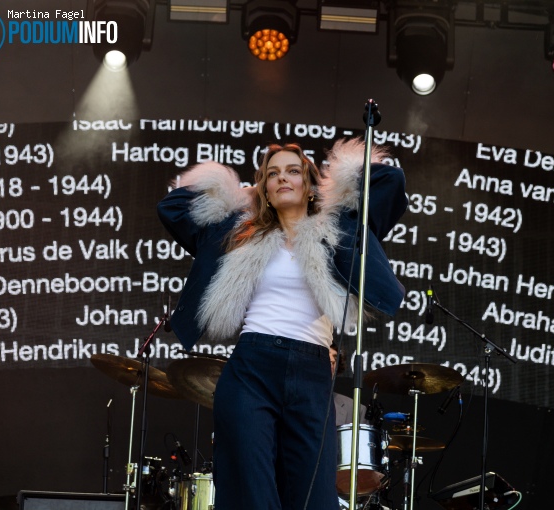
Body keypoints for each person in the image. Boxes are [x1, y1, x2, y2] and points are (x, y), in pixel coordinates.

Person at [157, 138, 407, 510]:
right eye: (272, 175)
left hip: (311, 372)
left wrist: (334, 183)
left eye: (293, 171)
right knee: (251, 491)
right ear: (265, 191)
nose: (282, 179)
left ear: (310, 185)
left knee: (314, 498)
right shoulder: (240, 233)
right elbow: (172, 206)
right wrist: (244, 193)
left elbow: (390, 183)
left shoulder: (338, 230)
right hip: (251, 368)